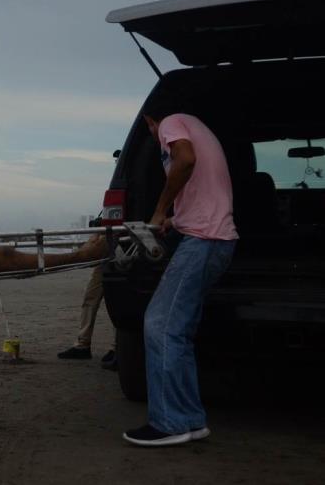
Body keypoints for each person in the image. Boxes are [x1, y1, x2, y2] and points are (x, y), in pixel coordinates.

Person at [123, 91, 237, 447]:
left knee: (159, 325)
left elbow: (184, 160)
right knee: (177, 331)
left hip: (204, 242)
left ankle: (170, 423)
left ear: (149, 121)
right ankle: (188, 419)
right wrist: (176, 219)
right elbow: (204, 189)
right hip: (212, 240)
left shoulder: (171, 123)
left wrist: (159, 209)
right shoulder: (198, 126)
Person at [56, 260, 117, 370]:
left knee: (117, 302)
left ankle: (117, 348)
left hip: (125, 256)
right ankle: (83, 345)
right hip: (106, 256)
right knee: (90, 298)